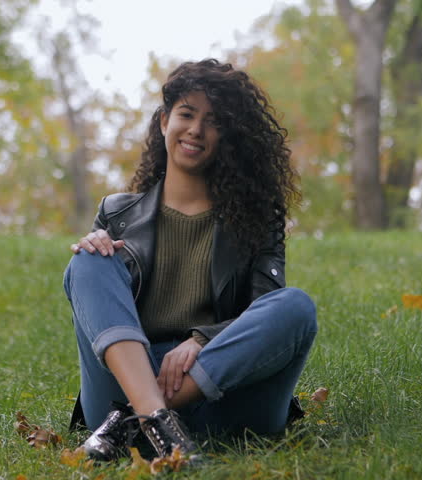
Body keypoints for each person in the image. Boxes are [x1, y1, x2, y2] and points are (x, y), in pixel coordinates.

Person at [62, 59, 317, 462]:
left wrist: (203, 339)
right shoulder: (116, 213)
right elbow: (100, 311)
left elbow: (264, 310)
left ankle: (134, 419)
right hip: (125, 382)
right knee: (87, 261)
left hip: (223, 399)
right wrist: (95, 249)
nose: (196, 129)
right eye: (186, 114)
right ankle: (156, 419)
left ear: (228, 137)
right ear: (164, 121)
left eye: (213, 121)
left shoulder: (257, 219)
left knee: (296, 306)